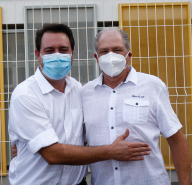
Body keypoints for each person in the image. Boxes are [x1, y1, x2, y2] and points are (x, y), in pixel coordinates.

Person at [8, 24, 152, 185]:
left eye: (63, 50)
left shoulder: (78, 89)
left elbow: (85, 133)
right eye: (49, 50)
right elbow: (52, 154)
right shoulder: (26, 95)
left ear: (72, 54)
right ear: (38, 54)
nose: (57, 55)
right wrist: (111, 151)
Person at [81, 27, 191, 185]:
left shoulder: (153, 86)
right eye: (104, 51)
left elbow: (176, 140)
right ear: (96, 58)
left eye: (117, 49)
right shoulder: (85, 93)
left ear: (128, 55)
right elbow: (80, 143)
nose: (111, 55)